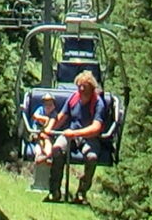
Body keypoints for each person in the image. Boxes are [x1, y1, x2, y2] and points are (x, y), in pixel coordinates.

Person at [37, 69, 106, 202]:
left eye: (84, 87)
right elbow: (61, 118)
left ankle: (82, 191)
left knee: (91, 157)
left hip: (89, 138)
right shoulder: (74, 99)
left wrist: (75, 133)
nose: (80, 90)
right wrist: (46, 131)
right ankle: (54, 190)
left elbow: (96, 128)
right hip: (71, 135)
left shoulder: (98, 104)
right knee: (57, 149)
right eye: (79, 86)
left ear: (91, 88)